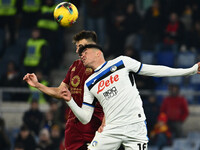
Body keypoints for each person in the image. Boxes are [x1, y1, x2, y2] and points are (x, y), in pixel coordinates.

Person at [59, 41, 200, 149]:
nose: (82, 55)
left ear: (98, 53)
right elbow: (85, 118)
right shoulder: (89, 83)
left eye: (86, 52)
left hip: (135, 125)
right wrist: (70, 100)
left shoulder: (122, 62)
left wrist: (190, 70)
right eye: (80, 53)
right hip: (111, 128)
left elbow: (154, 70)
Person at [23, 30, 104, 150]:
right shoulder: (75, 66)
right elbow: (60, 91)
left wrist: (104, 123)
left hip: (94, 129)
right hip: (73, 129)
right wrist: (37, 85)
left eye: (80, 47)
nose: (77, 51)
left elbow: (110, 100)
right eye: (76, 47)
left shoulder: (103, 70)